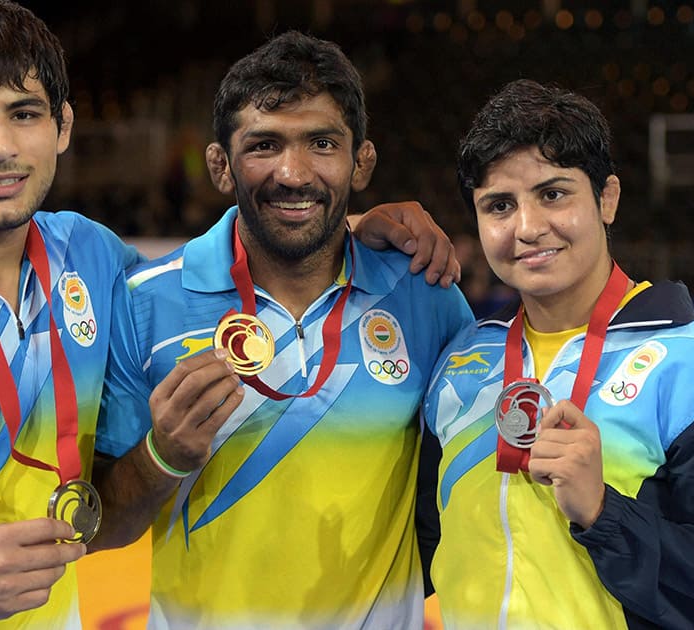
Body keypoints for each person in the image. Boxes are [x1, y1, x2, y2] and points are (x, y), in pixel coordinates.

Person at [0, 2, 460, 628]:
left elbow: (275, 235)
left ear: (61, 127)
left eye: (23, 114)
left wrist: (342, 222)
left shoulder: (91, 260)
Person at [91, 31, 474, 629]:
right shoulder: (145, 304)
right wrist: (161, 458)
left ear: (362, 161)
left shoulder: (423, 297)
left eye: (322, 143)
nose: (294, 173)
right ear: (221, 165)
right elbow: (98, 529)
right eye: (264, 145)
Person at [422, 78, 694, 629]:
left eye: (553, 194)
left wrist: (603, 512)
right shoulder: (459, 364)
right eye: (499, 205)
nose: (527, 228)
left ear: (607, 198)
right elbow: (427, 544)